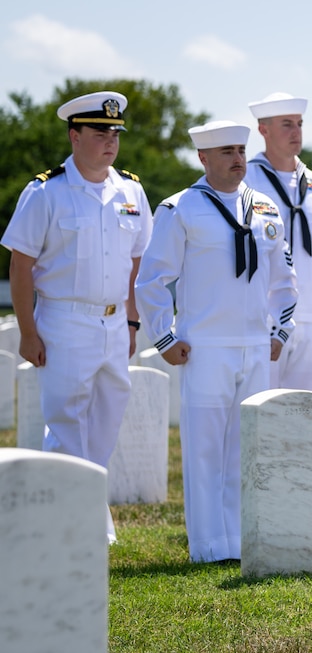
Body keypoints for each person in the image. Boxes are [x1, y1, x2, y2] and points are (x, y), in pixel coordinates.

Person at [135, 120, 298, 564]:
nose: (237, 159)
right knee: (206, 450)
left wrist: (281, 330)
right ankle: (209, 546)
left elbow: (285, 279)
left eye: (241, 150)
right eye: (226, 151)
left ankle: (242, 541)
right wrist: (165, 338)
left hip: (254, 347)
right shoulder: (180, 208)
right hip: (204, 347)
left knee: (247, 449)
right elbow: (151, 280)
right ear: (203, 158)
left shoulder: (264, 207)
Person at [2, 90, 152, 545]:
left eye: (115, 133)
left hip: (112, 326)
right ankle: (64, 524)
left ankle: (86, 512)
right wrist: (28, 332)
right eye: (100, 131)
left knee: (105, 424)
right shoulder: (45, 192)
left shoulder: (131, 190)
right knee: (67, 422)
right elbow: (21, 265)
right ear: (74, 135)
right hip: (64, 320)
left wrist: (130, 321)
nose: (110, 140)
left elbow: (137, 258)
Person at [246, 92, 312, 391]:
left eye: (299, 123)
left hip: (309, 314)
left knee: (303, 415)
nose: (296, 132)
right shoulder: (246, 181)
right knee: (262, 409)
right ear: (264, 129)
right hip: (263, 314)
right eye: (286, 124)